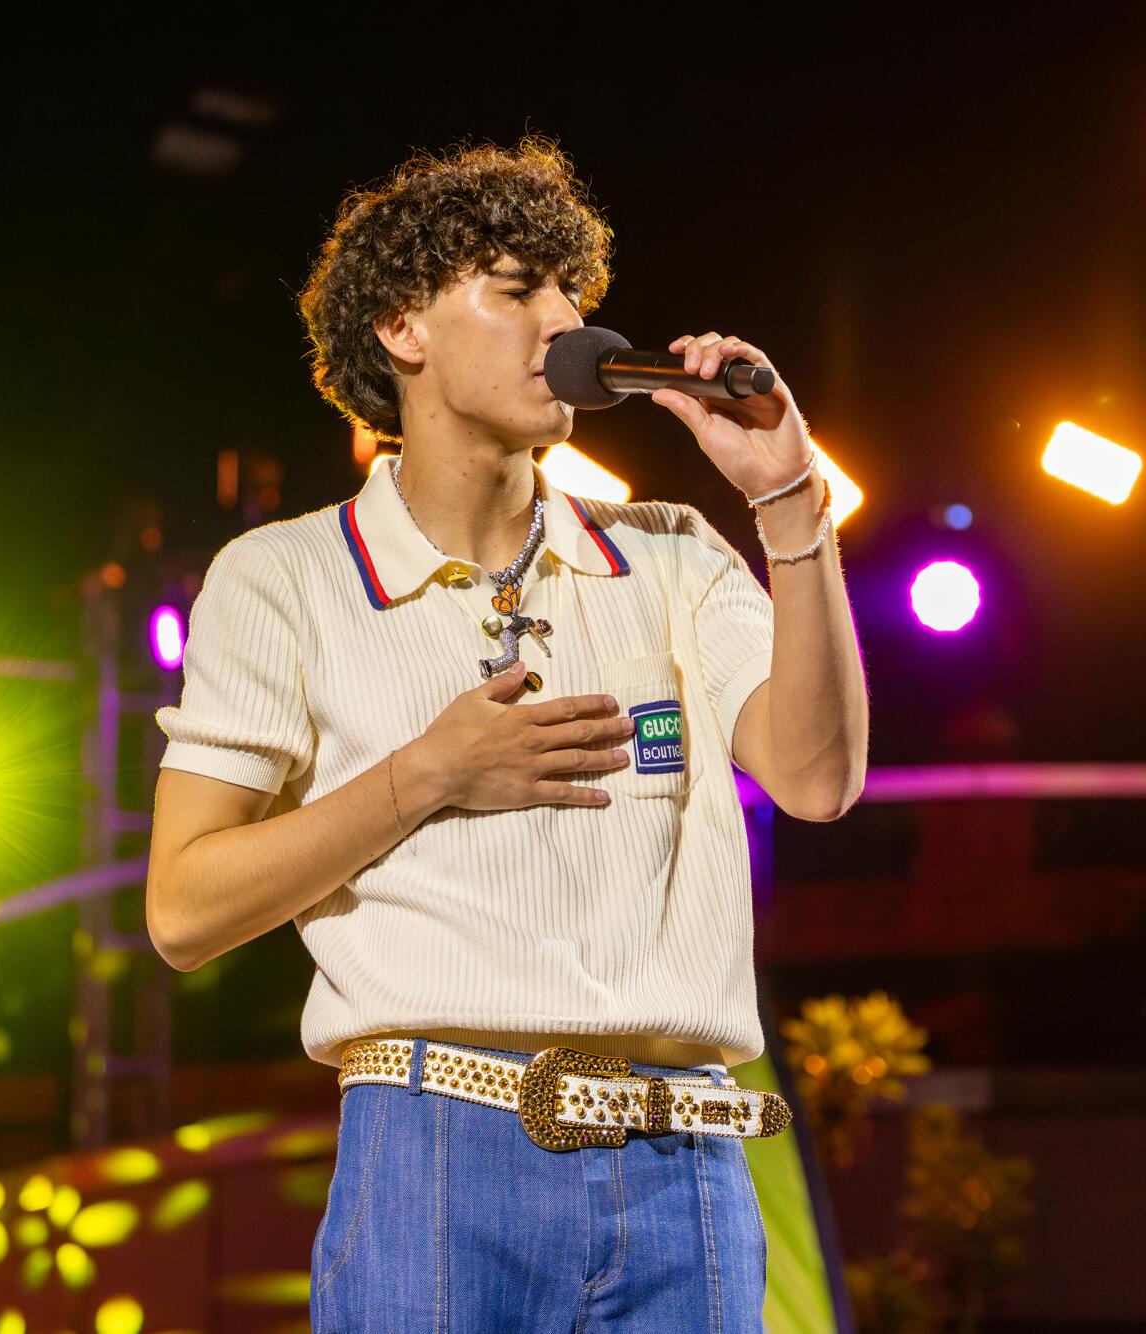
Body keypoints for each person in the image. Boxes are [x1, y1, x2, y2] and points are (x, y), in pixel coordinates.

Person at [146, 138, 867, 1330]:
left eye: (571, 290)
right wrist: (423, 776)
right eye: (516, 284)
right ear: (401, 327)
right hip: (437, 1152)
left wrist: (787, 495)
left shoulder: (674, 550)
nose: (564, 319)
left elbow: (816, 776)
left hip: (684, 1160)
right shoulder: (282, 576)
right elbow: (181, 908)